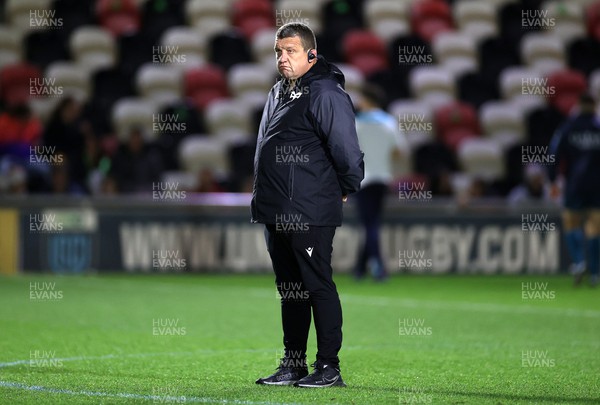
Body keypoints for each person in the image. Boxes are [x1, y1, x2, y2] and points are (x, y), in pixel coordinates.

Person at [251, 23, 364, 388]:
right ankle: (294, 365)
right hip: (277, 208)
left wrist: (348, 184)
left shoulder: (326, 91)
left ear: (311, 54)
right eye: (278, 52)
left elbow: (346, 148)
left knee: (317, 286)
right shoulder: (278, 92)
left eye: (291, 52)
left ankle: (329, 368)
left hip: (309, 209)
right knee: (290, 290)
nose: (282, 59)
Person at [353, 84, 404, 280]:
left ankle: (378, 267)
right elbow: (399, 151)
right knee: (371, 223)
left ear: (366, 100)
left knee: (369, 225)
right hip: (382, 178)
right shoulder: (389, 122)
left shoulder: (357, 124)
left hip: (363, 180)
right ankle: (359, 269)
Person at [548, 93, 600, 286]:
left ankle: (579, 262)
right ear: (594, 106)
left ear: (578, 105)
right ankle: (595, 272)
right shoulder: (598, 128)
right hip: (597, 186)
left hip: (575, 184)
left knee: (571, 221)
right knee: (595, 227)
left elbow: (552, 155)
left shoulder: (567, 128)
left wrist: (553, 180)